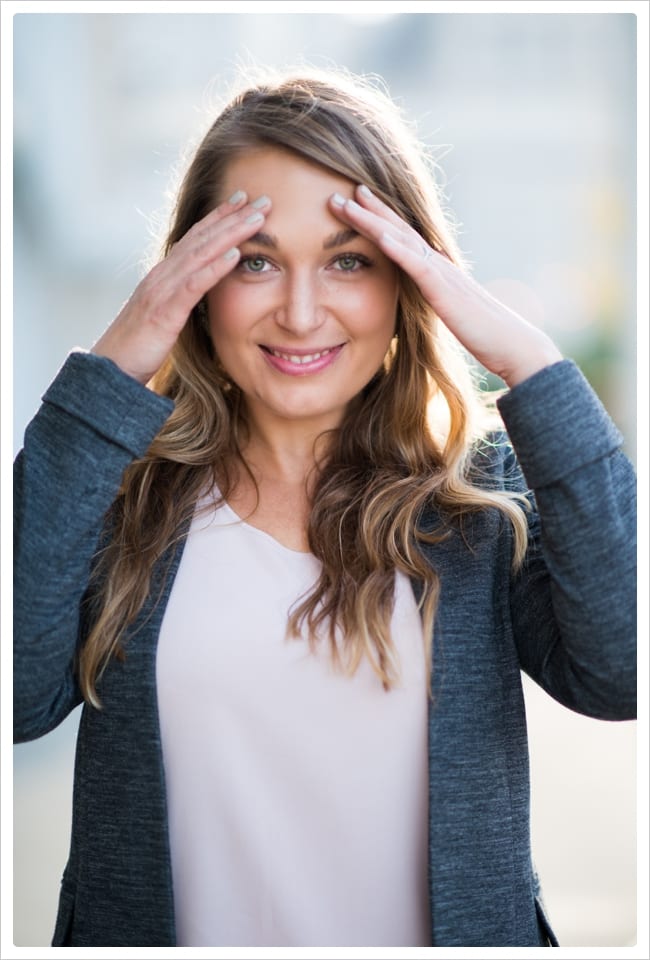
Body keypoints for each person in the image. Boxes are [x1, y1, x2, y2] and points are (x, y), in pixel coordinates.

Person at [13, 65, 636, 948]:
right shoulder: (119, 491)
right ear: (192, 278)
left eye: (350, 261)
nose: (301, 312)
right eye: (255, 261)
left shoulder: (477, 503)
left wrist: (532, 366)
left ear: (410, 284)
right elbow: (15, 699)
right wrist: (109, 374)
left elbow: (623, 671)